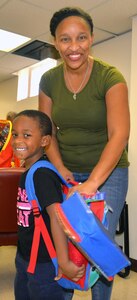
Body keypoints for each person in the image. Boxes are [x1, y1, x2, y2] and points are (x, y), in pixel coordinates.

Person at [38, 6, 130, 300]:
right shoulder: (49, 81)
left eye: (81, 38)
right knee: (66, 242)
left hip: (109, 172)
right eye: (65, 39)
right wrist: (60, 168)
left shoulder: (109, 77)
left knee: (97, 243)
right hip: (67, 168)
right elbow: (47, 131)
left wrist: (92, 183)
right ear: (55, 43)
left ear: (92, 39)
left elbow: (119, 134)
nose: (74, 47)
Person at [11, 109, 85, 300]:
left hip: (44, 262)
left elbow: (57, 216)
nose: (18, 140)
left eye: (27, 135)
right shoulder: (29, 171)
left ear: (44, 141)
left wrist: (63, 261)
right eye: (15, 134)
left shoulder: (42, 174)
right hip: (26, 257)